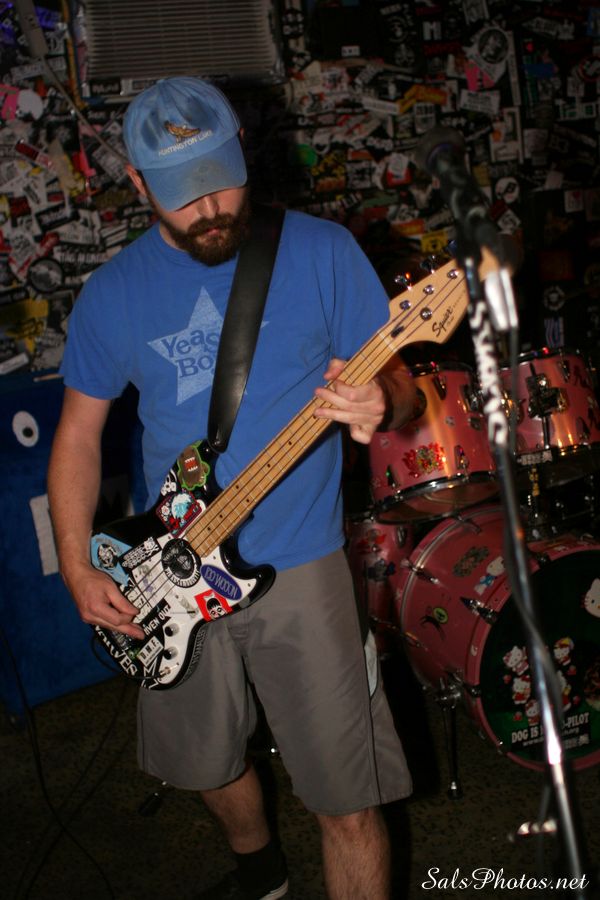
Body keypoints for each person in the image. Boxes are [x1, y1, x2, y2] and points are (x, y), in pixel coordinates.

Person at [47, 76, 416, 900]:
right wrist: (76, 562)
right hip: (170, 566)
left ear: (244, 149)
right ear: (136, 183)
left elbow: (402, 386)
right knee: (204, 767)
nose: (211, 208)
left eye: (220, 178)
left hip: (303, 565)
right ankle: (262, 871)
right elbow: (76, 435)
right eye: (183, 192)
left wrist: (382, 399)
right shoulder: (112, 295)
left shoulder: (322, 253)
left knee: (349, 799)